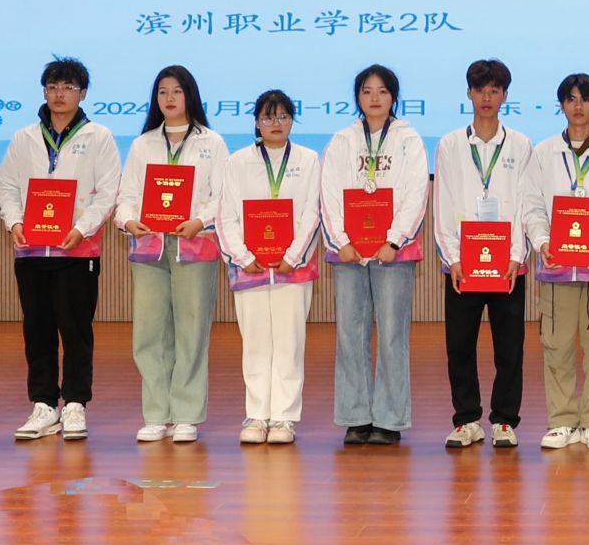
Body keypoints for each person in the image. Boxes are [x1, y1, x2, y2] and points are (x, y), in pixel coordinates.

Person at [0, 57, 121, 442]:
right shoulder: (24, 137)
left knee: (76, 329)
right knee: (37, 330)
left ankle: (76, 403)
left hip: (77, 252)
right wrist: (15, 222)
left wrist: (82, 229)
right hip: (31, 251)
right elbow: (6, 186)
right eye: (52, 87)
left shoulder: (98, 136)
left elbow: (109, 192)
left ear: (83, 93)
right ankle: (44, 404)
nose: (59, 94)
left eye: (68, 87)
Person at [116, 66, 228, 444]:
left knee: (191, 330)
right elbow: (127, 197)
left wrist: (200, 221)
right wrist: (129, 221)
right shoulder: (143, 144)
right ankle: (156, 413)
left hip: (195, 245)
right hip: (150, 246)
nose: (169, 98)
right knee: (149, 331)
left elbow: (222, 196)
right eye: (162, 91)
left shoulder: (212, 142)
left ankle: (186, 415)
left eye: (177, 91)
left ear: (189, 95)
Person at [320, 64, 430, 447]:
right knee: (350, 334)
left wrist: (395, 240)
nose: (374, 98)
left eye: (382, 91)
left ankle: (389, 418)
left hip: (393, 253)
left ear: (393, 96)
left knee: (392, 335)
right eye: (366, 91)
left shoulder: (408, 140)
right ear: (357, 97)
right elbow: (329, 194)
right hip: (349, 253)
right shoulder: (342, 140)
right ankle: (356, 417)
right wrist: (341, 240)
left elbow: (416, 193)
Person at [520, 72, 589, 452]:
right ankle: (562, 420)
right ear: (562, 105)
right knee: (557, 343)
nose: (578, 106)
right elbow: (532, 204)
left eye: (585, 99)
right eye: (571, 99)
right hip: (557, 265)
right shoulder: (544, 152)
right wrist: (542, 241)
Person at [432, 58, 533, 450]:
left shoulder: (520, 145)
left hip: (507, 264)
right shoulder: (451, 145)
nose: (487, 97)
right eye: (480, 90)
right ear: (469, 93)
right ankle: (466, 419)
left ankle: (505, 420)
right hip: (464, 263)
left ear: (505, 95)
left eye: (494, 90)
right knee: (459, 345)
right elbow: (443, 203)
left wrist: (516, 255)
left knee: (509, 347)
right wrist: (453, 258)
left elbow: (525, 205)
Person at [215, 89, 323, 445]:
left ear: (292, 120)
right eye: (268, 117)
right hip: (250, 267)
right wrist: (244, 257)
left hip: (293, 267)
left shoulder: (309, 160)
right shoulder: (237, 162)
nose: (276, 124)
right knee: (256, 341)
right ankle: (257, 414)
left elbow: (312, 213)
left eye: (283, 117)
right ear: (256, 123)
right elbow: (226, 215)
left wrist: (293, 255)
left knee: (290, 342)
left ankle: (284, 418)